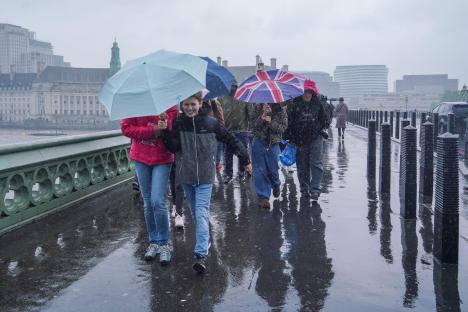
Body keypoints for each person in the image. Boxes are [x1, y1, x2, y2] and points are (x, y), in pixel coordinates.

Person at [161, 92, 251, 273]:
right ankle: (206, 240)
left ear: (200, 103)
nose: (189, 108)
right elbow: (172, 147)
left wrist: (245, 158)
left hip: (205, 175)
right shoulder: (179, 123)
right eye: (186, 104)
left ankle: (200, 253)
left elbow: (230, 139)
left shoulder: (210, 123)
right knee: (196, 212)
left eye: (193, 104)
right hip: (186, 175)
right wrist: (164, 130)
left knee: (201, 211)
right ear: (181, 105)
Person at [120, 106, 179, 265]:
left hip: (163, 158)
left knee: (157, 201)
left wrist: (165, 121)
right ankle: (153, 241)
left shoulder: (170, 105)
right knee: (147, 203)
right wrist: (152, 132)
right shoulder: (136, 103)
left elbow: (175, 129)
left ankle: (164, 243)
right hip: (141, 157)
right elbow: (126, 128)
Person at [284, 81, 329, 200]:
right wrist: (289, 137)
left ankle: (315, 189)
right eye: (305, 92)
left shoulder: (318, 104)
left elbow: (325, 120)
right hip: (299, 139)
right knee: (302, 165)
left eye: (310, 92)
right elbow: (289, 122)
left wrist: (322, 128)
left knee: (316, 163)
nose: (307, 94)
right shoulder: (295, 104)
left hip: (316, 138)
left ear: (313, 93)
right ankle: (304, 189)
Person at [250, 102, 288, 209]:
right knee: (259, 169)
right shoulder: (257, 107)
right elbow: (252, 126)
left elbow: (283, 128)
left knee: (273, 168)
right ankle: (263, 197)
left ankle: (276, 184)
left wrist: (271, 122)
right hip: (259, 141)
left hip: (273, 143)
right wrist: (261, 118)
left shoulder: (280, 110)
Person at [218, 80, 251, 183]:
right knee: (227, 154)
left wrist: (250, 128)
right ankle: (228, 174)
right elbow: (218, 113)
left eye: (235, 86)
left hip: (241, 130)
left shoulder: (244, 96)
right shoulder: (221, 97)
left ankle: (241, 173)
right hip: (227, 130)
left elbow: (249, 112)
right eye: (231, 86)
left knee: (242, 152)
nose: (233, 88)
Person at [201, 99, 225, 172]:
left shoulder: (215, 102)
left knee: (218, 149)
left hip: (215, 130)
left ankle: (216, 164)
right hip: (205, 132)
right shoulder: (199, 103)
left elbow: (220, 117)